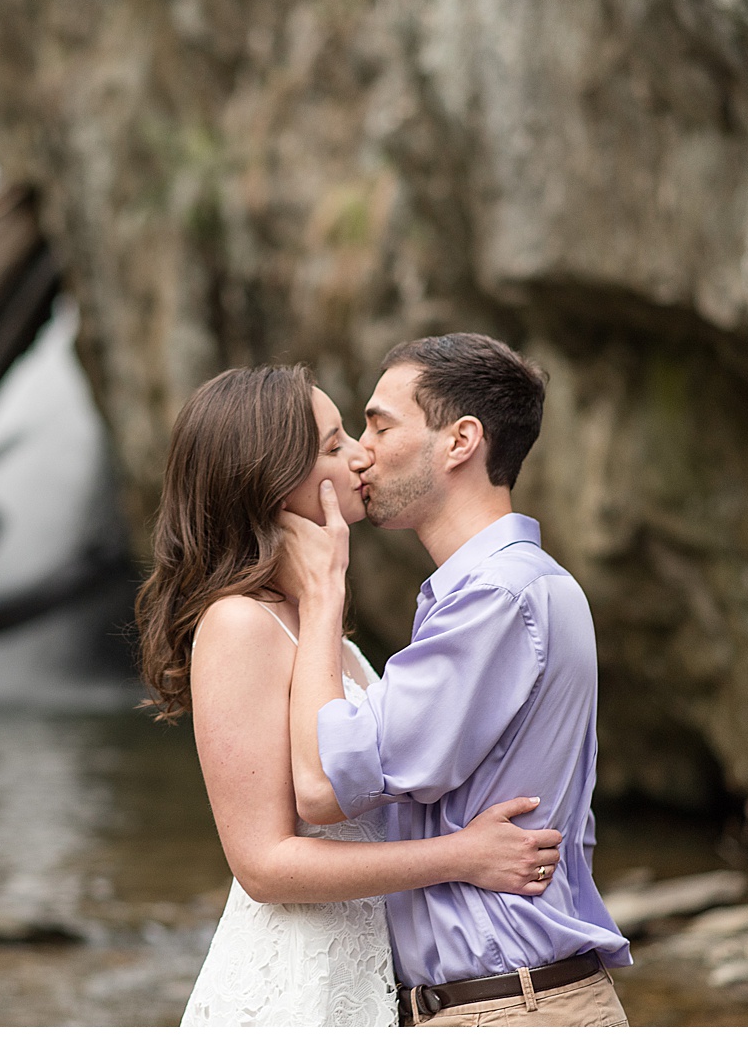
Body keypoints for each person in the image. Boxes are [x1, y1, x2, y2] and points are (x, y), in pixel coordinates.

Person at [134, 363, 566, 1027]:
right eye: (335, 445)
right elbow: (262, 865)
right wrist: (462, 857)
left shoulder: (316, 625)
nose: (362, 453)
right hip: (294, 990)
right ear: (273, 479)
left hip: (363, 979)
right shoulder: (240, 622)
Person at [280, 333, 632, 1027]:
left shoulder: (495, 599)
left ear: (460, 440)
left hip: (509, 1009)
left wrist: (321, 597)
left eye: (380, 424)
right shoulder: (517, 587)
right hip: (513, 1002)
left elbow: (324, 784)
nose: (361, 451)